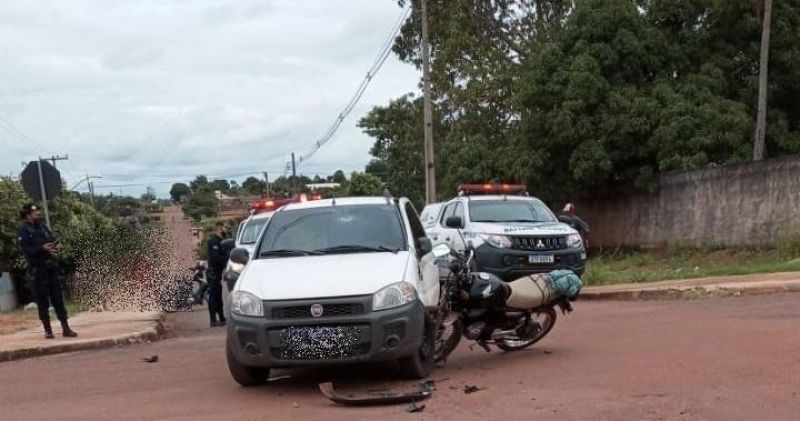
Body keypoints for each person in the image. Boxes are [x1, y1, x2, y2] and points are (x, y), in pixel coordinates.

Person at [18, 204, 78, 339]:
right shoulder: (24, 230)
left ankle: (66, 328)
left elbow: (51, 240)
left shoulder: (43, 226)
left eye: (39, 211)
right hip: (37, 271)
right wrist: (42, 248)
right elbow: (26, 250)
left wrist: (55, 246)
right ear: (28, 214)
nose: (38, 213)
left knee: (58, 300)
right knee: (42, 301)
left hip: (51, 268)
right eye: (35, 212)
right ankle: (48, 330)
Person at [206, 222, 228, 327]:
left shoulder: (221, 241)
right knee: (214, 297)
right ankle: (213, 320)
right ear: (219, 229)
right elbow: (216, 258)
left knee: (218, 296)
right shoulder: (214, 241)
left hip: (217, 273)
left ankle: (222, 318)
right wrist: (227, 259)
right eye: (224, 228)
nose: (226, 230)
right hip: (213, 273)